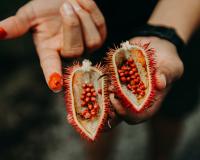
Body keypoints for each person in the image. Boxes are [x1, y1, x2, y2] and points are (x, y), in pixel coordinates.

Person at [0, 0, 200, 160]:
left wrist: (167, 33)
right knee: (101, 105)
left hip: (184, 16)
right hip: (93, 20)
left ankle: (161, 156)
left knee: (173, 108)